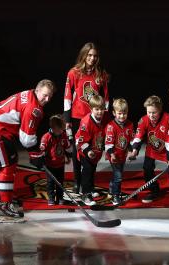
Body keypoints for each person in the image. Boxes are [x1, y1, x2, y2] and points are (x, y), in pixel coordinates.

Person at [0, 79, 56, 223]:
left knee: (11, 162)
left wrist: (34, 153)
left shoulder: (29, 94)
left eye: (50, 96)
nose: (47, 99)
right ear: (37, 91)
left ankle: (5, 198)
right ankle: (3, 206)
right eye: (45, 95)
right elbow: (26, 139)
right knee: (7, 166)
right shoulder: (34, 109)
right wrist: (36, 154)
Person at [63, 42, 109, 194]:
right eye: (89, 55)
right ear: (84, 55)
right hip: (78, 117)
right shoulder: (74, 73)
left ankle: (89, 183)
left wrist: (106, 118)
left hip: (95, 118)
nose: (92, 58)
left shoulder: (101, 74)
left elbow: (106, 98)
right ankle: (77, 182)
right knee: (78, 151)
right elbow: (67, 96)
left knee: (94, 149)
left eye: (95, 55)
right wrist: (67, 119)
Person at [129, 95, 169, 206]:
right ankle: (154, 191)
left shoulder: (168, 118)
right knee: (147, 169)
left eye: (154, 112)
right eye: (149, 112)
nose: (151, 115)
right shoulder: (144, 120)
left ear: (160, 109)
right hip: (152, 149)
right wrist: (134, 150)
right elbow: (139, 135)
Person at [75, 95, 106, 206]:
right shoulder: (86, 122)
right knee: (87, 170)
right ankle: (85, 194)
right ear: (91, 109)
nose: (100, 112)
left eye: (101, 109)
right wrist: (88, 151)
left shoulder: (103, 118)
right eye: (97, 109)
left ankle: (91, 189)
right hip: (84, 148)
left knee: (93, 169)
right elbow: (81, 141)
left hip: (95, 149)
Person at [104, 98, 134, 205]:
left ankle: (111, 190)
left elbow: (131, 140)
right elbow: (108, 143)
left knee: (118, 174)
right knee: (118, 176)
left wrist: (131, 151)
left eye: (124, 113)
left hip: (122, 155)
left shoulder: (130, 125)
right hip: (114, 155)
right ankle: (116, 196)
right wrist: (111, 154)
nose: (122, 116)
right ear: (114, 113)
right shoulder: (111, 126)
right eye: (119, 113)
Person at [38, 114, 72, 206]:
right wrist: (41, 150)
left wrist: (68, 155)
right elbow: (42, 148)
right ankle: (51, 198)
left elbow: (67, 147)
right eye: (59, 129)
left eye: (62, 129)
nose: (61, 131)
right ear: (53, 128)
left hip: (60, 164)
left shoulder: (63, 135)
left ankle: (60, 197)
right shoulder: (47, 137)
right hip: (50, 165)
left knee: (60, 183)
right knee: (50, 183)